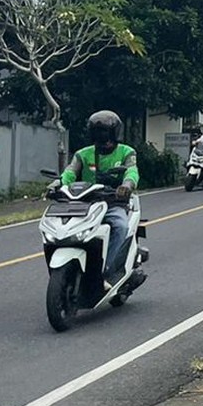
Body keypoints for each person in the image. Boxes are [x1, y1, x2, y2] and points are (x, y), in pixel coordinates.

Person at [57, 110, 139, 289]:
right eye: (98, 131)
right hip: (85, 204)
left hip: (114, 203)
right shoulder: (83, 154)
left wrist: (127, 185)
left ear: (114, 132)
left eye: (105, 131)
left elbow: (132, 171)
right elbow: (70, 171)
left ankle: (107, 269)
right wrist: (59, 184)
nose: (102, 136)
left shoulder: (126, 152)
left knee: (120, 226)